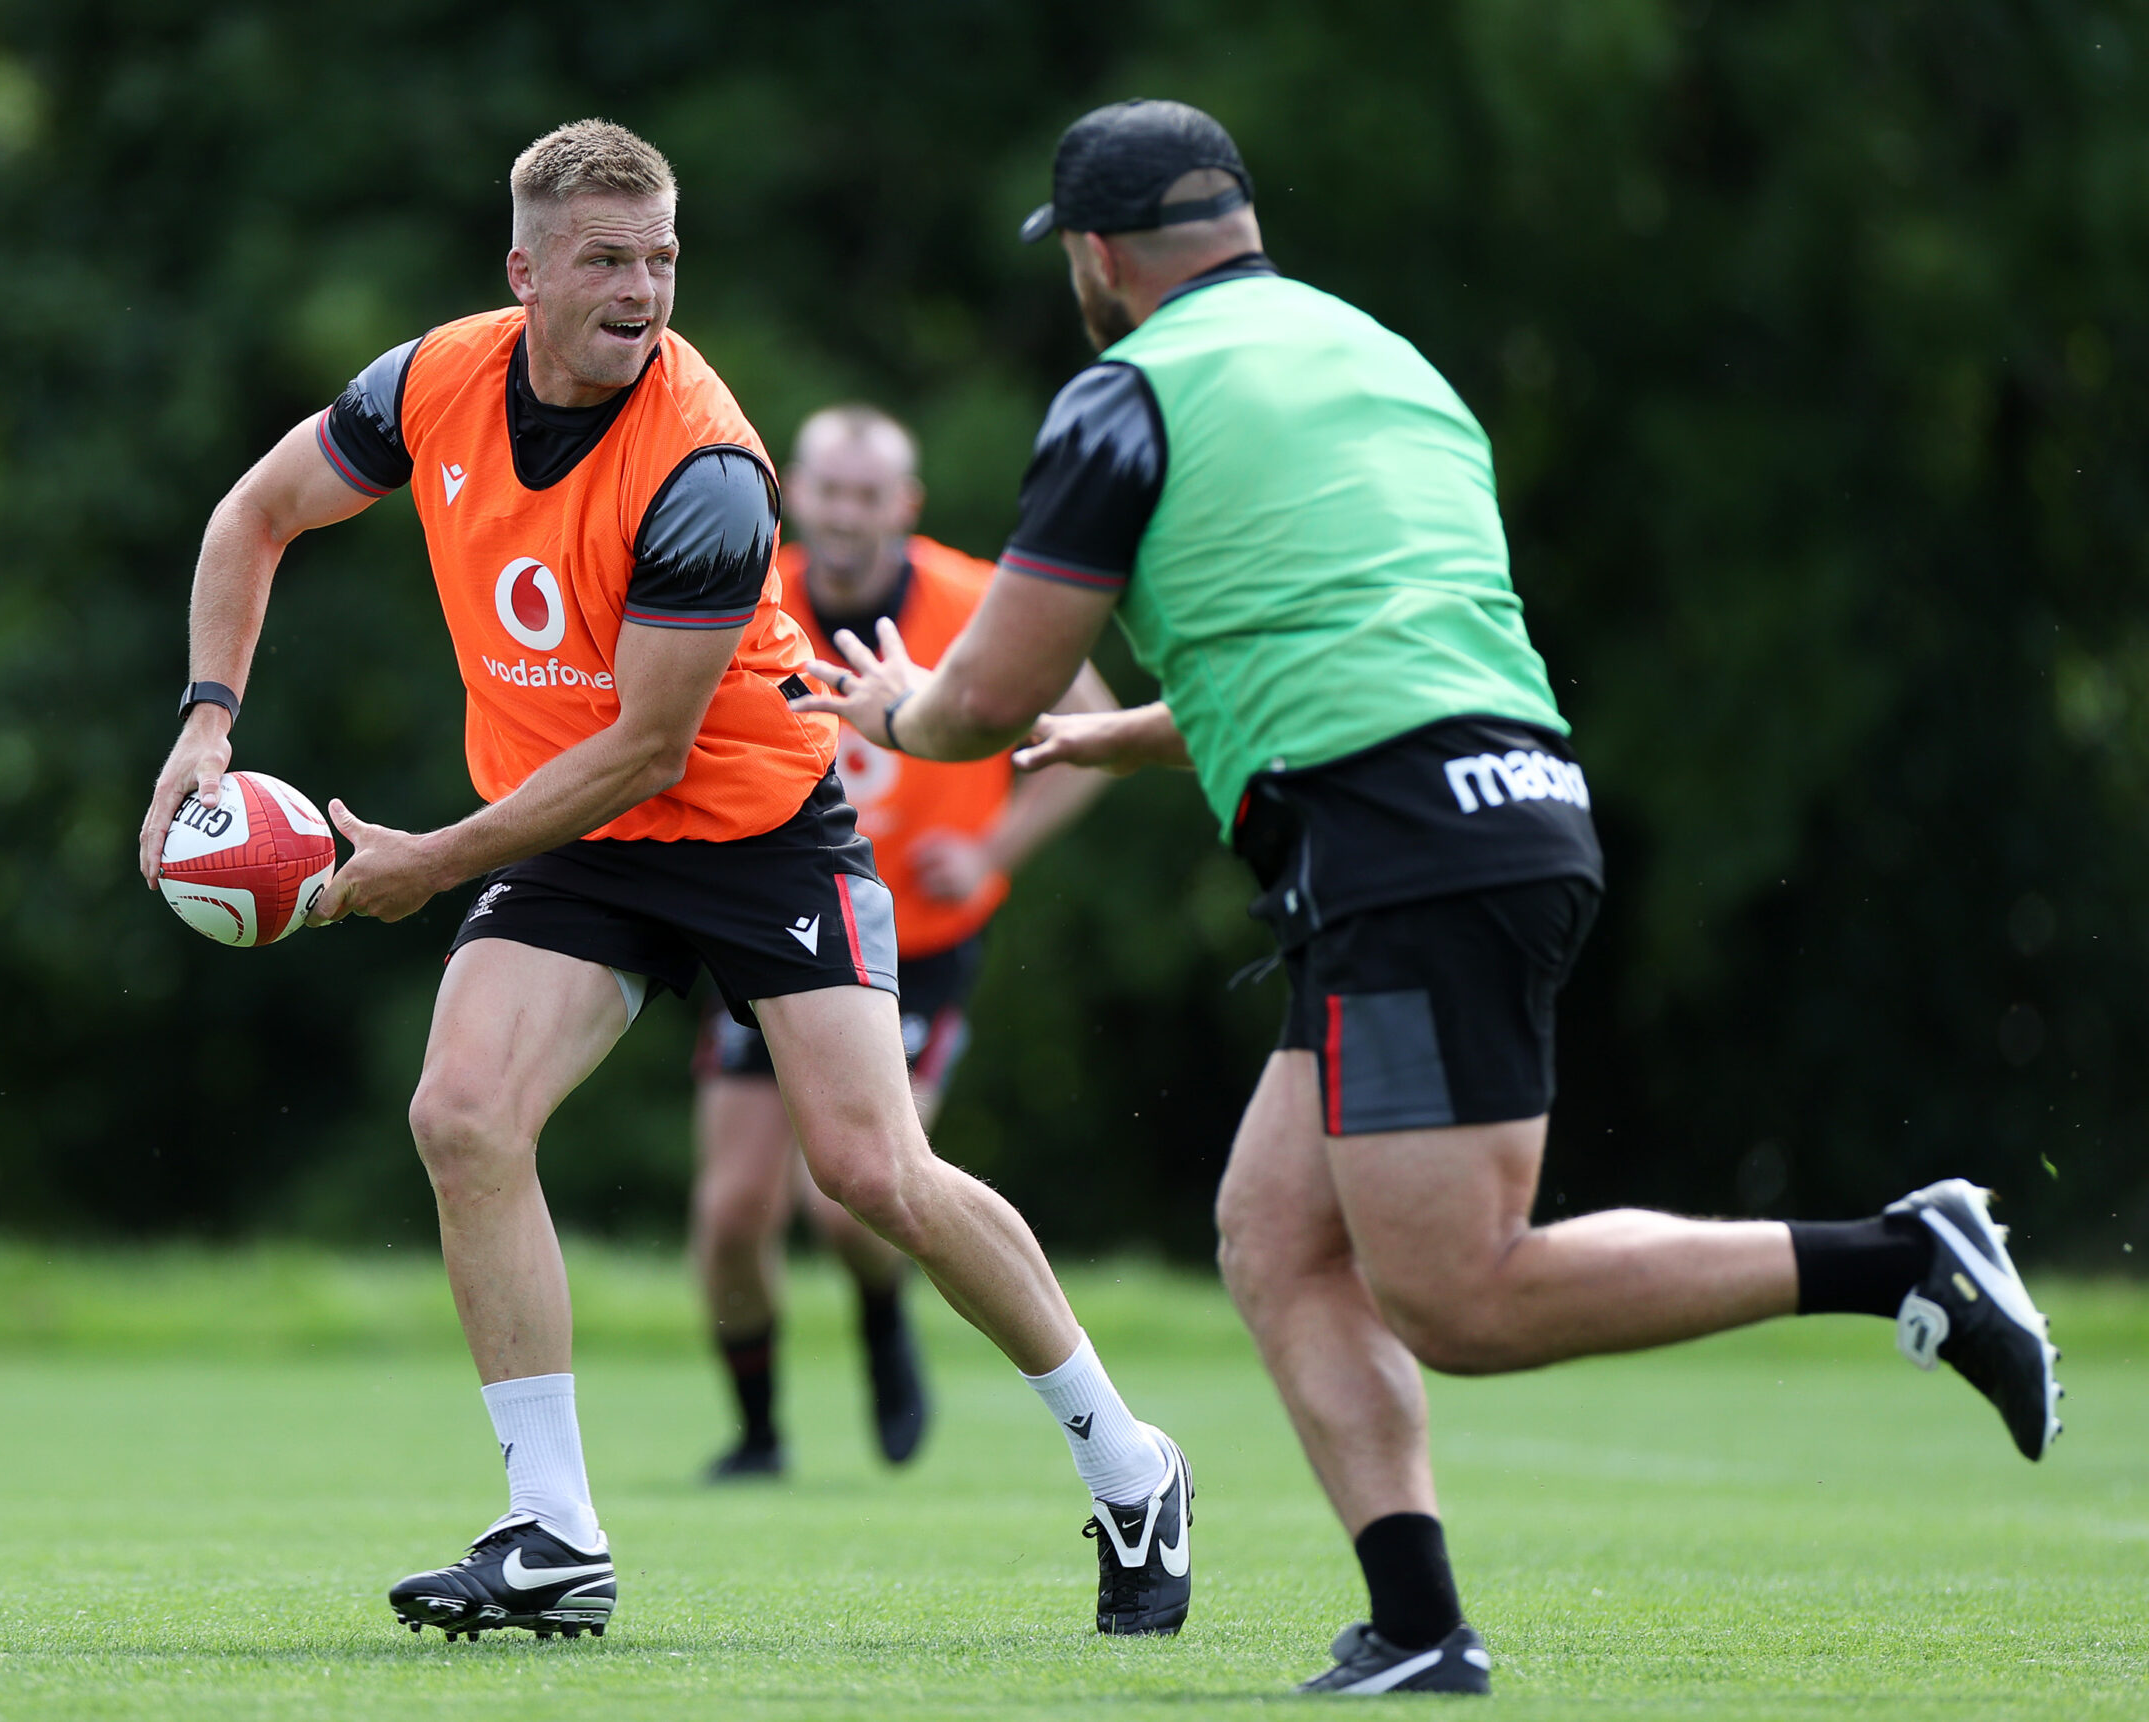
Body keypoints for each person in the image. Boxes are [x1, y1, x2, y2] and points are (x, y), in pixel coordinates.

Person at [799, 98, 2063, 1696]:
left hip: (1405, 853)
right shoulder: (1387, 365)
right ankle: (1416, 1625)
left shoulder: (1127, 399)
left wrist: (898, 708)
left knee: (1460, 1290)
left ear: (1100, 259)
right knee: (1275, 1233)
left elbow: (975, 702)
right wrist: (1110, 739)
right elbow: (1357, 640)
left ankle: (1900, 1254)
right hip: (1494, 812)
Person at [135, 119, 1196, 1644]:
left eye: (662, 260)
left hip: (752, 826)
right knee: (462, 1114)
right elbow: (256, 514)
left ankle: (1129, 1457)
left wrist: (426, 862)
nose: (643, 291)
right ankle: (554, 1532)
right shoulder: (432, 381)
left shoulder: (706, 469)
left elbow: (646, 749)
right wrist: (207, 717)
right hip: (574, 837)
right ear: (525, 273)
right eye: (607, 261)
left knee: (869, 1172)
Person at [690, 404, 1115, 1480]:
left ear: (904, 506)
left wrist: (993, 851)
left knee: (850, 1200)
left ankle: (882, 1323)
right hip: (762, 925)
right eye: (827, 490)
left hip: (913, 942)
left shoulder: (969, 599)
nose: (845, 513)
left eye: (867, 493)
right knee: (733, 1212)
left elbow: (1094, 727)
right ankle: (757, 1436)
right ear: (792, 491)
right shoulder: (739, 583)